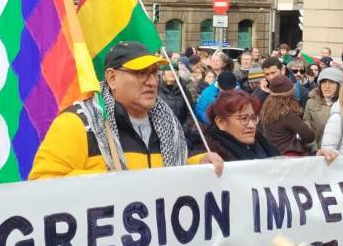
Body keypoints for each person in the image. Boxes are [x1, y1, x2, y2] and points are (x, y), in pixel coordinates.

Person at [29, 41, 223, 178]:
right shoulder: (76, 123)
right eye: (140, 73)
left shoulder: (168, 124)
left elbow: (169, 172)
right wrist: (102, 182)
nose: (151, 81)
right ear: (112, 78)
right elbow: (41, 182)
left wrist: (199, 165)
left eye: (154, 73)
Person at [202, 89, 279, 161]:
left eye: (253, 118)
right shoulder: (209, 153)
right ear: (221, 122)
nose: (252, 125)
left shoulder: (262, 143)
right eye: (243, 118)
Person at [259, 75, 314, 156]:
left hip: (272, 154)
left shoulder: (266, 110)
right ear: (290, 95)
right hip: (289, 154)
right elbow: (309, 136)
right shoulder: (287, 114)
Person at [304, 67, 343, 144]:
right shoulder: (311, 102)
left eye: (331, 82)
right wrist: (313, 148)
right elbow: (306, 126)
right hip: (312, 148)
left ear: (339, 85)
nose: (327, 86)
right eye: (324, 82)